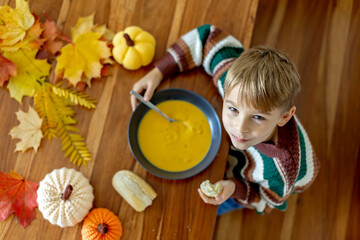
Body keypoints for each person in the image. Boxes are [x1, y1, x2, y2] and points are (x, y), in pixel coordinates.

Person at [130, 24, 320, 215]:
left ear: (285, 116)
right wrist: (159, 71)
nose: (239, 127)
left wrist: (233, 188)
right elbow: (207, 37)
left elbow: (264, 201)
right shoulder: (235, 82)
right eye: (232, 109)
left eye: (257, 117)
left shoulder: (286, 171)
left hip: (245, 182)